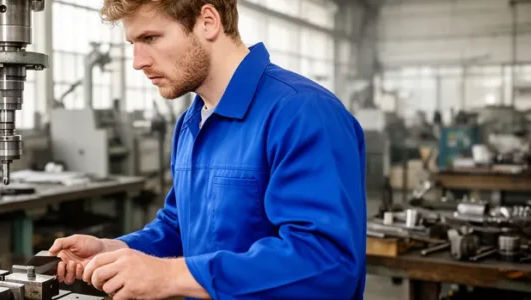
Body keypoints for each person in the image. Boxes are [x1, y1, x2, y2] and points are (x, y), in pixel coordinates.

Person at [48, 1, 367, 299]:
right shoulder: (191, 123)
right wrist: (115, 250)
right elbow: (178, 227)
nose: (138, 62)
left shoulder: (302, 113)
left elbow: (327, 265)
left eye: (151, 38)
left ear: (208, 22)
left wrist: (169, 276)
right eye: (133, 43)